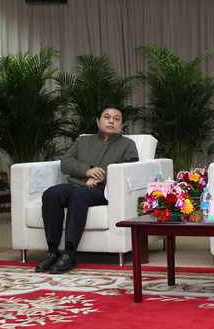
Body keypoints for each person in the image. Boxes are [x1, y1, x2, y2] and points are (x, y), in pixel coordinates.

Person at [35, 105, 138, 274]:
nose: (111, 121)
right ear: (98, 121)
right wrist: (87, 170)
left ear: (122, 125)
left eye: (116, 119)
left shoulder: (127, 144)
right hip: (76, 184)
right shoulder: (82, 141)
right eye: (107, 117)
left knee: (79, 195)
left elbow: (130, 167)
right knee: (51, 193)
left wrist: (102, 175)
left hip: (103, 190)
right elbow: (66, 163)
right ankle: (52, 251)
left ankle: (69, 253)